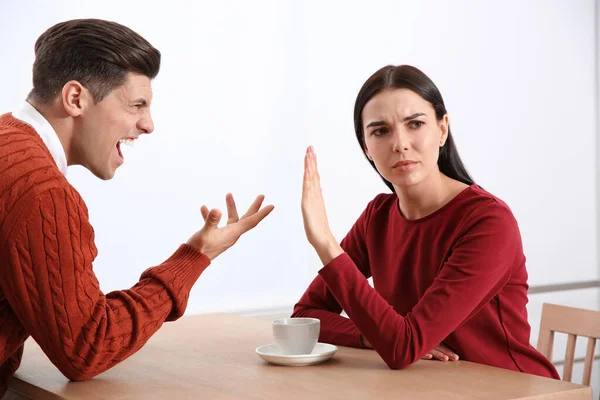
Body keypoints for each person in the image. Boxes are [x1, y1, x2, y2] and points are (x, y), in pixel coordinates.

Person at [0, 19, 273, 396]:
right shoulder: (41, 190)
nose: (148, 125)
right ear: (76, 98)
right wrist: (194, 257)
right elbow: (86, 348)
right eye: (136, 105)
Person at [293, 64, 559, 379]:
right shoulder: (378, 216)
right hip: (426, 387)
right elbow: (305, 317)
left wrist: (324, 241)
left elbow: (402, 348)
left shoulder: (488, 221)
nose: (400, 144)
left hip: (513, 390)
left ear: (442, 129)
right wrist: (372, 336)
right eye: (381, 131)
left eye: (415, 124)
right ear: (366, 147)